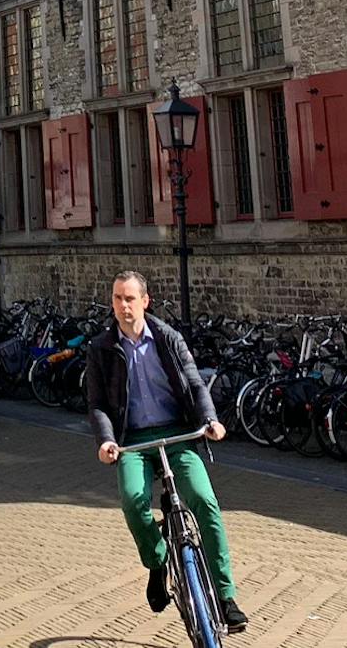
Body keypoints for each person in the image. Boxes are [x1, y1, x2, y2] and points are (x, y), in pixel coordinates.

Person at [84, 270, 247, 635]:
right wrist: (106, 441)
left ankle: (225, 597)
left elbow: (195, 383)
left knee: (205, 501)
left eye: (130, 298)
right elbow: (97, 404)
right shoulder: (101, 348)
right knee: (132, 500)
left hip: (178, 434)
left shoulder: (168, 338)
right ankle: (158, 561)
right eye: (117, 299)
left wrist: (209, 420)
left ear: (145, 301)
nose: (123, 306)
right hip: (131, 441)